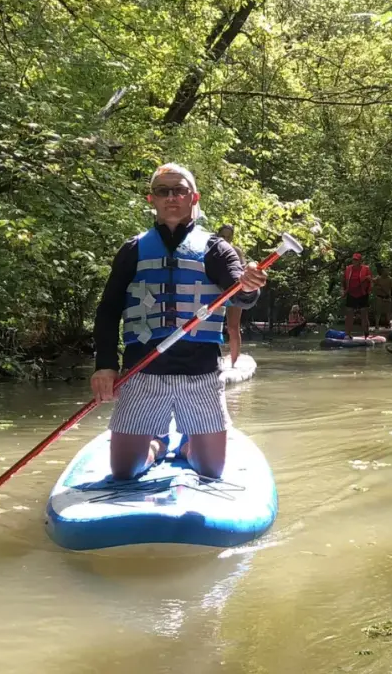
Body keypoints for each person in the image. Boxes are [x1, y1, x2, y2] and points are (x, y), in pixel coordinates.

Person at [91, 163, 267, 481]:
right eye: (163, 191)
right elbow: (108, 310)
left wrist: (248, 284)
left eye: (180, 190)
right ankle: (159, 443)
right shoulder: (132, 250)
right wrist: (105, 364)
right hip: (141, 373)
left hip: (199, 374)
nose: (172, 197)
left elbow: (239, 295)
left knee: (211, 470)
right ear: (152, 199)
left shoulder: (217, 249)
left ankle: (189, 446)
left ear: (193, 197)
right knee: (124, 471)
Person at [216, 223, 245, 365]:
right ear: (217, 236)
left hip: (233, 293)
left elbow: (243, 271)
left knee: (233, 328)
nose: (226, 240)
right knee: (213, 326)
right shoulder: (211, 250)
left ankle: (234, 363)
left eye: (229, 237)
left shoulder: (237, 252)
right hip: (216, 293)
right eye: (223, 236)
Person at [342, 252, 372, 338]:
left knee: (364, 314)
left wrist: (369, 285)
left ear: (360, 261)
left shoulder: (366, 269)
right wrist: (343, 291)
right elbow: (343, 280)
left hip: (362, 294)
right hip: (351, 293)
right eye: (353, 260)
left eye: (356, 260)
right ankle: (348, 334)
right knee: (349, 314)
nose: (354, 261)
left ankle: (366, 334)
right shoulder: (348, 269)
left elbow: (370, 282)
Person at [370, 264, 392, 330]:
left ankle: (388, 324)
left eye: (388, 271)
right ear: (382, 271)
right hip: (379, 297)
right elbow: (372, 286)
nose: (387, 272)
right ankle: (376, 325)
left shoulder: (390, 279)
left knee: (388, 312)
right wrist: (377, 287)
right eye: (385, 271)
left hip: (387, 297)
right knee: (378, 312)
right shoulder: (378, 278)